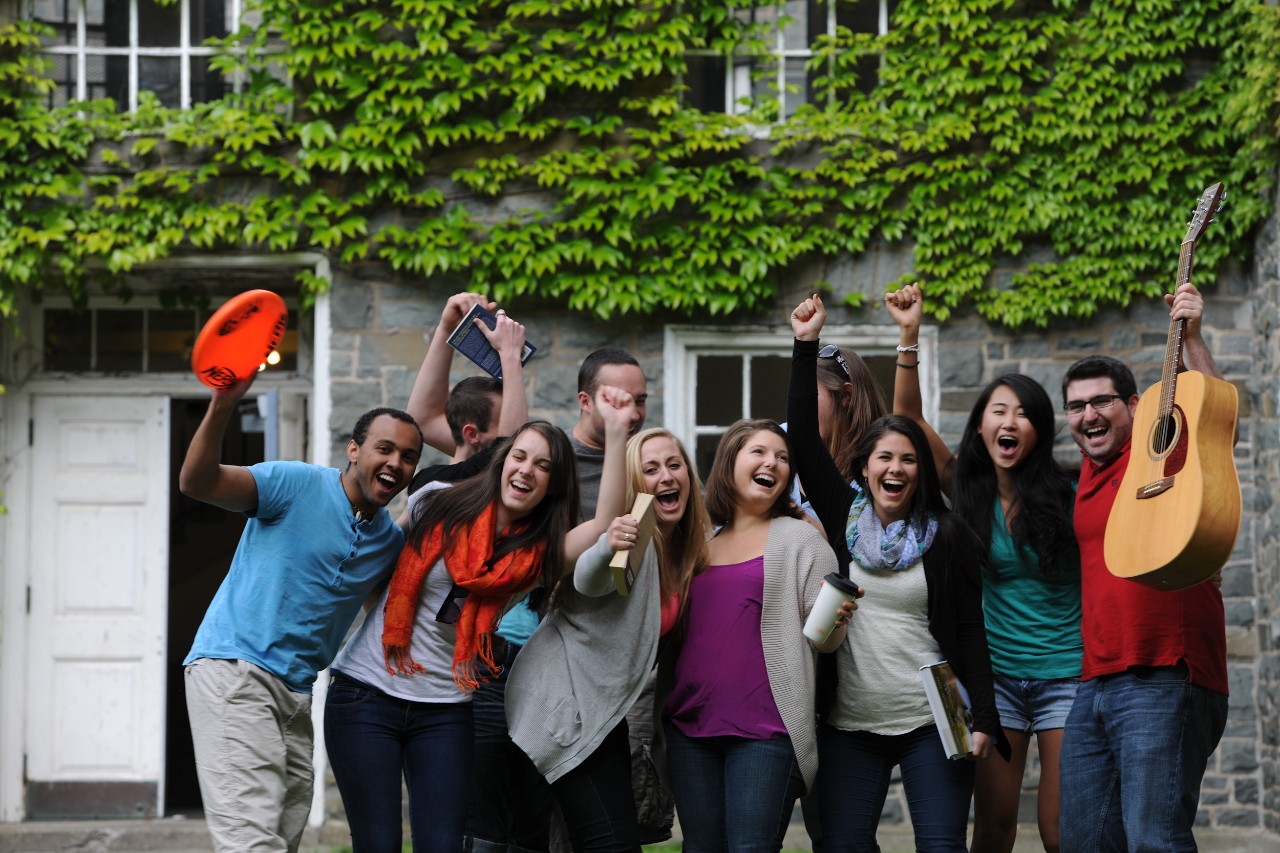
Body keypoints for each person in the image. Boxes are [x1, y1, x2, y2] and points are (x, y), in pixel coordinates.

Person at [324, 385, 635, 852]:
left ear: (552, 484)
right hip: (366, 695)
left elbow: (604, 522)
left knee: (445, 846)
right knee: (378, 843)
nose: (527, 470)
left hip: (446, 709)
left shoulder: (539, 556)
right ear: (504, 460)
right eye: (521, 457)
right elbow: (382, 568)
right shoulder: (437, 501)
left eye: (543, 466)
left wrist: (615, 433)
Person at [788, 293, 1008, 853]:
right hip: (850, 726)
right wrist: (804, 344)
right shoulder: (841, 514)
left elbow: (968, 632)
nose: (896, 467)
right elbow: (806, 440)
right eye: (884, 457)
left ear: (920, 472)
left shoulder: (948, 533)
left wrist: (984, 715)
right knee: (843, 845)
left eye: (909, 459)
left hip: (934, 724)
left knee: (941, 845)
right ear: (865, 467)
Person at [180, 374, 423, 852]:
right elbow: (197, 482)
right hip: (235, 672)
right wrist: (223, 404)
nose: (395, 462)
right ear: (354, 450)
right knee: (251, 843)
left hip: (297, 695)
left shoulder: (387, 543)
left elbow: (389, 611)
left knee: (281, 839)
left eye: (409, 456)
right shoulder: (294, 483)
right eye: (384, 448)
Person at [886, 284, 1081, 853]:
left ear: (1038, 431)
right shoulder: (964, 490)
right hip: (995, 682)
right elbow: (907, 419)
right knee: (993, 828)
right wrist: (908, 336)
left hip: (1067, 676)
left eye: (1023, 414)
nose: (1010, 421)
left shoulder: (1071, 493)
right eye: (999, 411)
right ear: (980, 426)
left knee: (1059, 830)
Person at [1057, 281, 1230, 852]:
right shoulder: (1082, 472)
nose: (1089, 415)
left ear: (1135, 406)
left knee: (1154, 841)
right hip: (1096, 680)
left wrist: (1194, 337)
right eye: (1077, 406)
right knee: (1084, 841)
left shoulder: (1158, 455)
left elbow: (1214, 411)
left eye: (1102, 401)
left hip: (1166, 671)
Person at [506, 427, 714, 852]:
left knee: (599, 839)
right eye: (651, 469)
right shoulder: (634, 539)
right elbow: (590, 578)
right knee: (609, 842)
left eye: (675, 466)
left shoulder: (688, 552)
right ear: (636, 486)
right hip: (561, 702)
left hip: (601, 713)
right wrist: (605, 546)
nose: (667, 477)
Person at [402, 294, 552, 853]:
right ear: (471, 435)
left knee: (511, 809)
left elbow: (427, 418)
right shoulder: (444, 488)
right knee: (475, 811)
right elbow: (428, 423)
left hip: (504, 659)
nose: (525, 462)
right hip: (456, 667)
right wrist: (508, 358)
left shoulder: (498, 480)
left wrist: (448, 326)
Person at [661, 419, 847, 852]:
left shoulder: (803, 540)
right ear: (730, 463)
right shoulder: (697, 541)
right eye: (760, 452)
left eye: (783, 458)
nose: (773, 463)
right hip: (690, 728)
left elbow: (825, 641)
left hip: (766, 733)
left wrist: (836, 620)